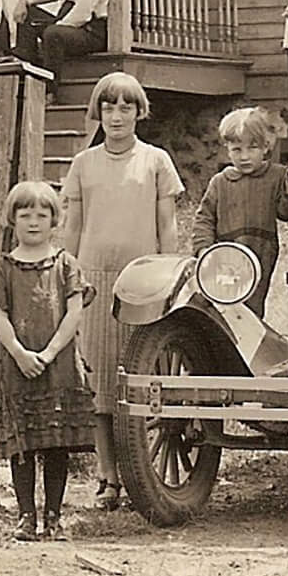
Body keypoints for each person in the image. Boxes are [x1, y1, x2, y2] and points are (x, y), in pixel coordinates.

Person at [60, 71, 182, 511]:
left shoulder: (155, 161)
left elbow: (166, 224)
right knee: (100, 384)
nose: (116, 116)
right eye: (108, 107)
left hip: (142, 283)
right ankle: (107, 477)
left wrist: (170, 275)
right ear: (98, 112)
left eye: (125, 107)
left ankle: (141, 477)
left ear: (139, 112)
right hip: (93, 280)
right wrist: (65, 275)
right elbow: (72, 226)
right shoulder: (83, 164)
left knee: (140, 377)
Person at [0, 178, 95, 542]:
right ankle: (26, 516)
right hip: (17, 368)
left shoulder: (66, 266)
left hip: (58, 366)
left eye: (42, 214)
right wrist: (19, 353)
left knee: (56, 441)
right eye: (25, 213)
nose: (33, 221)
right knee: (23, 442)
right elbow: (0, 317)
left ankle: (54, 516)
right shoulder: (2, 268)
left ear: (54, 219)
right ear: (12, 219)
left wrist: (47, 353)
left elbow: (74, 313)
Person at [190, 106, 288, 315]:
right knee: (223, 304)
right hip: (226, 252)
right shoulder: (221, 182)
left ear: (266, 147)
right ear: (227, 149)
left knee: (253, 307)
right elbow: (204, 218)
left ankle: (252, 344)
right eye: (237, 150)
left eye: (252, 148)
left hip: (262, 251)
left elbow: (284, 213)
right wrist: (204, 249)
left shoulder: (276, 176)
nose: (244, 157)